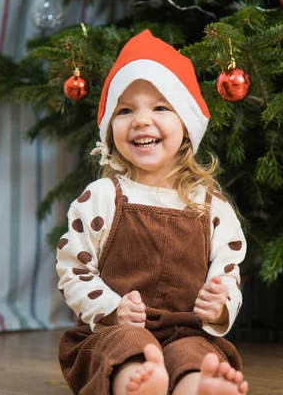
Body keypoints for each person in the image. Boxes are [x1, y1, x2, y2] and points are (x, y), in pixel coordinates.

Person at [56, 29, 249, 395]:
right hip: (115, 329)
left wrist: (220, 305)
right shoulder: (100, 197)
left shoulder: (211, 205)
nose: (141, 120)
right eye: (125, 110)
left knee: (194, 354)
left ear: (187, 127)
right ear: (110, 132)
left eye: (160, 107)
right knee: (126, 351)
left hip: (185, 330)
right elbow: (74, 270)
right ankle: (140, 383)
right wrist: (113, 309)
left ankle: (198, 386)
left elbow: (228, 273)